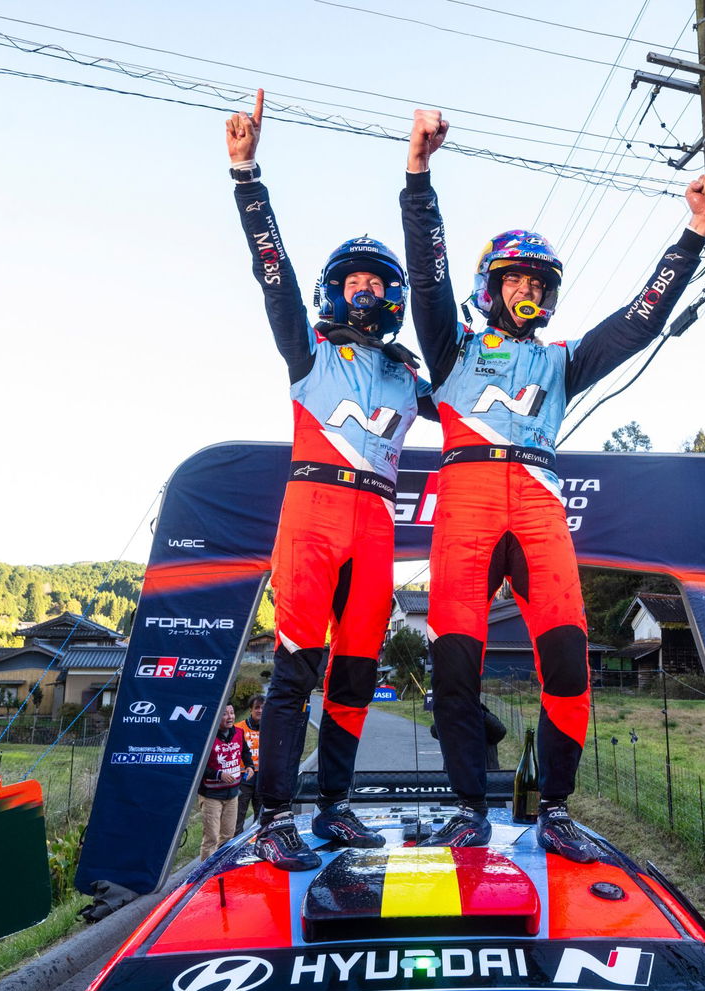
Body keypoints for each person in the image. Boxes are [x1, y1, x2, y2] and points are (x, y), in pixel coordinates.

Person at [400, 108, 705, 860]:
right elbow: (426, 273)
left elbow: (640, 321)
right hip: (468, 507)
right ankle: (466, 808)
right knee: (455, 663)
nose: (530, 292)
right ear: (490, 287)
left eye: (541, 284)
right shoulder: (449, 350)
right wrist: (418, 175)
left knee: (570, 664)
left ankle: (555, 808)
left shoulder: (563, 360)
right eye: (516, 279)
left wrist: (694, 234)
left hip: (541, 509)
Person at [228, 90, 434, 871]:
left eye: (378, 283)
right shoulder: (309, 350)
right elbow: (270, 270)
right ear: (333, 290)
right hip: (312, 513)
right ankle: (275, 812)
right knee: (294, 670)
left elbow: (482, 415)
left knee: (355, 671)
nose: (367, 291)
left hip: (377, 524)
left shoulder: (410, 373)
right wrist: (247, 174)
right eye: (353, 281)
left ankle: (336, 804)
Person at [199, 712, 252, 861]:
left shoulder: (239, 732)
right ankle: (205, 876)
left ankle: (220, 869)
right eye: (224, 714)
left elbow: (245, 752)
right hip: (211, 795)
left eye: (232, 713)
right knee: (211, 838)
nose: (230, 717)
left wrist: (249, 766)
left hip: (233, 794)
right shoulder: (207, 735)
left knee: (228, 835)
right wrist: (218, 774)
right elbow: (198, 765)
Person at [232, 696, 263, 836]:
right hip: (244, 776)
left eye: (263, 708)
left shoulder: (271, 728)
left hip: (263, 776)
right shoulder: (238, 728)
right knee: (238, 814)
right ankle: (235, 844)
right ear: (250, 709)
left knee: (261, 815)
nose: (260, 710)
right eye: (257, 707)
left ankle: (259, 841)